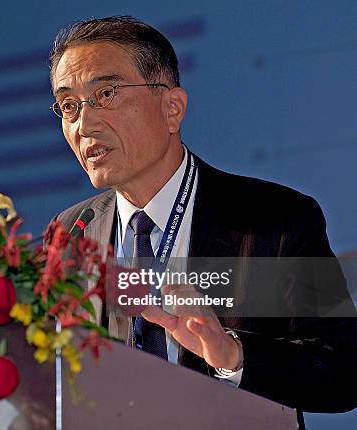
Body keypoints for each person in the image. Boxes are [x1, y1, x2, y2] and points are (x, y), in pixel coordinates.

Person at [48, 16, 356, 427]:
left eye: (106, 93)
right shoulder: (70, 233)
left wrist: (232, 357)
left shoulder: (276, 220)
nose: (85, 124)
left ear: (171, 108)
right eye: (69, 106)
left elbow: (343, 371)